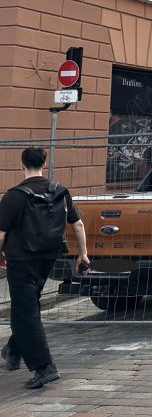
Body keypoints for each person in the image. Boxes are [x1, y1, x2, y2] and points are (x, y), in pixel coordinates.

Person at [0, 147, 90, 389]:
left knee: (25, 312)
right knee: (28, 306)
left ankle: (44, 367)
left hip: (21, 260)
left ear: (22, 165)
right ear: (43, 164)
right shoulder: (60, 191)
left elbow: (0, 233)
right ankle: (12, 350)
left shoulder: (14, 196)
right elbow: (78, 224)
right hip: (48, 257)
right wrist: (82, 254)